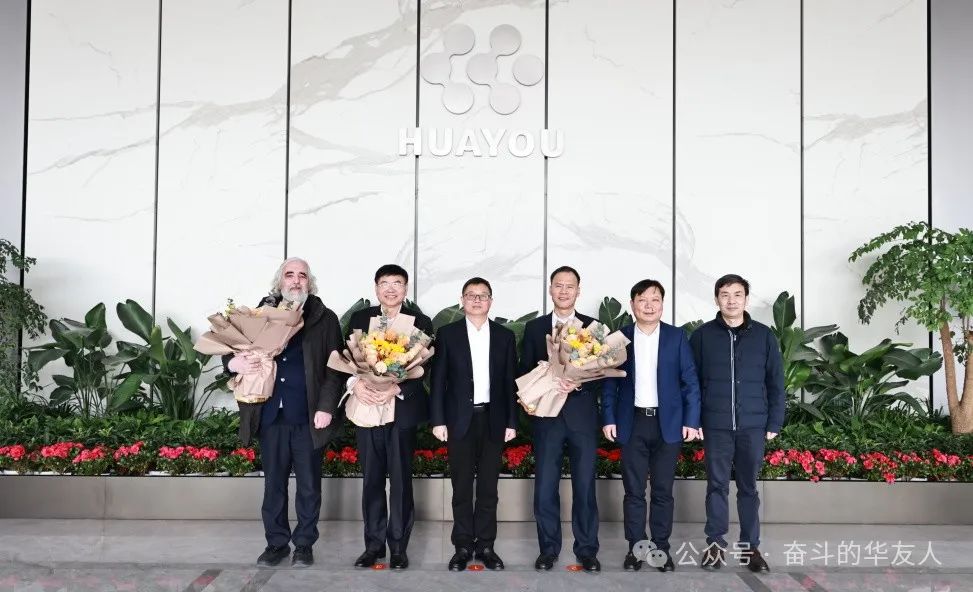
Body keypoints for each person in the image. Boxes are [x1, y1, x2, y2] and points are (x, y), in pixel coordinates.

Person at [225, 257, 344, 568]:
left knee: (309, 487)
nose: (295, 280)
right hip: (270, 415)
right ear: (279, 282)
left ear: (309, 283)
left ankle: (303, 545)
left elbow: (336, 369)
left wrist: (326, 407)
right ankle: (276, 544)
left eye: (302, 275)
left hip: (308, 416)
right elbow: (232, 343)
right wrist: (232, 363)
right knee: (273, 486)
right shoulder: (261, 312)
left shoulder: (325, 318)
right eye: (289, 275)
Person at [601, 279, 701, 572]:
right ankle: (636, 548)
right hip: (631, 423)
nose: (649, 305)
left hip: (667, 424)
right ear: (632, 304)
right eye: (642, 300)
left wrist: (691, 420)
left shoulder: (676, 337)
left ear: (662, 304)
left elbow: (690, 382)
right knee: (633, 492)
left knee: (662, 492)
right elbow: (609, 382)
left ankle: (661, 549)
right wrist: (608, 417)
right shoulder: (619, 338)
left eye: (655, 299)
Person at [689, 274, 785, 573]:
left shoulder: (764, 336)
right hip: (715, 424)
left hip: (753, 425)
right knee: (716, 486)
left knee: (748, 488)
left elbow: (775, 382)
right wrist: (694, 420)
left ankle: (750, 548)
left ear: (746, 299)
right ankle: (715, 545)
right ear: (716, 299)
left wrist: (774, 421)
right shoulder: (702, 336)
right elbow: (691, 383)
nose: (731, 300)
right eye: (725, 294)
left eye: (737, 294)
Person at [345, 264, 434, 570]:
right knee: (371, 480)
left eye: (397, 283)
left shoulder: (420, 322)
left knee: (400, 481)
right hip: (368, 407)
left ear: (405, 289)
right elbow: (346, 358)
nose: (391, 288)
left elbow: (425, 366)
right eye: (385, 283)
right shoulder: (360, 319)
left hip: (401, 411)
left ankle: (398, 547)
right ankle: (372, 546)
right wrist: (356, 384)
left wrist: (397, 388)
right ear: (376, 288)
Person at [429, 277, 517, 571]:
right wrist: (438, 420)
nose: (477, 300)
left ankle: (487, 546)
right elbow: (438, 381)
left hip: (493, 419)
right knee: (462, 487)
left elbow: (509, 382)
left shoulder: (504, 336)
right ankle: (463, 546)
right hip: (459, 421)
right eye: (471, 295)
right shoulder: (448, 334)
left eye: (483, 295)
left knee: (489, 488)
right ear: (462, 300)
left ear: (491, 301)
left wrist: (511, 421)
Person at [520, 266, 601, 572]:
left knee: (585, 486)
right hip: (547, 418)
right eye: (558, 285)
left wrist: (578, 382)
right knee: (545, 486)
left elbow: (603, 373)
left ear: (578, 291)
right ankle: (548, 549)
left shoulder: (593, 327)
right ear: (550, 289)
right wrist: (546, 380)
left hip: (581, 417)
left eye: (570, 286)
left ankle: (587, 550)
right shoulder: (534, 328)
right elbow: (524, 370)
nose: (564, 291)